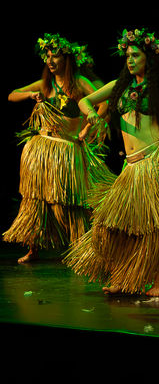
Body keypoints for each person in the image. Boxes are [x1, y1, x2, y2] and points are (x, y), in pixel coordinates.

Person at [64, 28, 159, 296]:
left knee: (156, 227)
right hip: (130, 166)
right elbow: (85, 100)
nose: (130, 60)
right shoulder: (120, 86)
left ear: (148, 58)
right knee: (115, 226)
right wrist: (92, 114)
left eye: (136, 55)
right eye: (127, 55)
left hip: (155, 162)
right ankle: (120, 276)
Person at [4, 34, 112, 263]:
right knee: (34, 201)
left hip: (67, 150)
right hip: (40, 150)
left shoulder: (80, 82)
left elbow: (104, 104)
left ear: (67, 59)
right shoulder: (44, 84)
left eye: (55, 56)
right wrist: (30, 94)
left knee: (70, 202)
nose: (50, 61)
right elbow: (11, 95)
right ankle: (32, 248)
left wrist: (89, 126)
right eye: (48, 56)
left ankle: (79, 248)